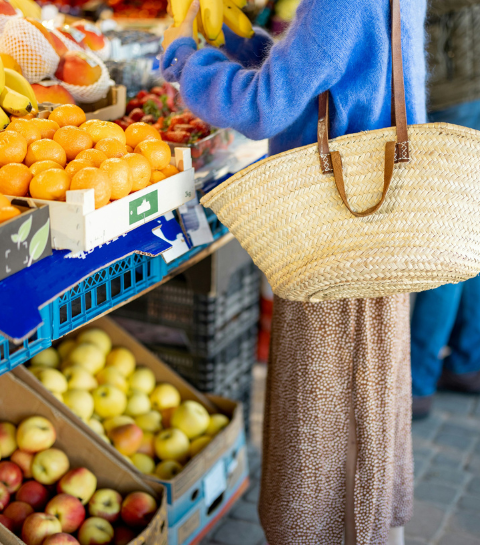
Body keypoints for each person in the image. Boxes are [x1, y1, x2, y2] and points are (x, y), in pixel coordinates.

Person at [162, 1, 427, 543]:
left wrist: (185, 59)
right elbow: (328, 73)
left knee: (327, 421)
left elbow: (266, 105)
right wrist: (239, 45)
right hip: (373, 225)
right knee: (366, 413)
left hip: (335, 234)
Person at [411, 0, 480, 420]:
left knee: (446, 240)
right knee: (465, 230)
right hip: (462, 80)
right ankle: (469, 361)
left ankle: (416, 383)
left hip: (449, 86)